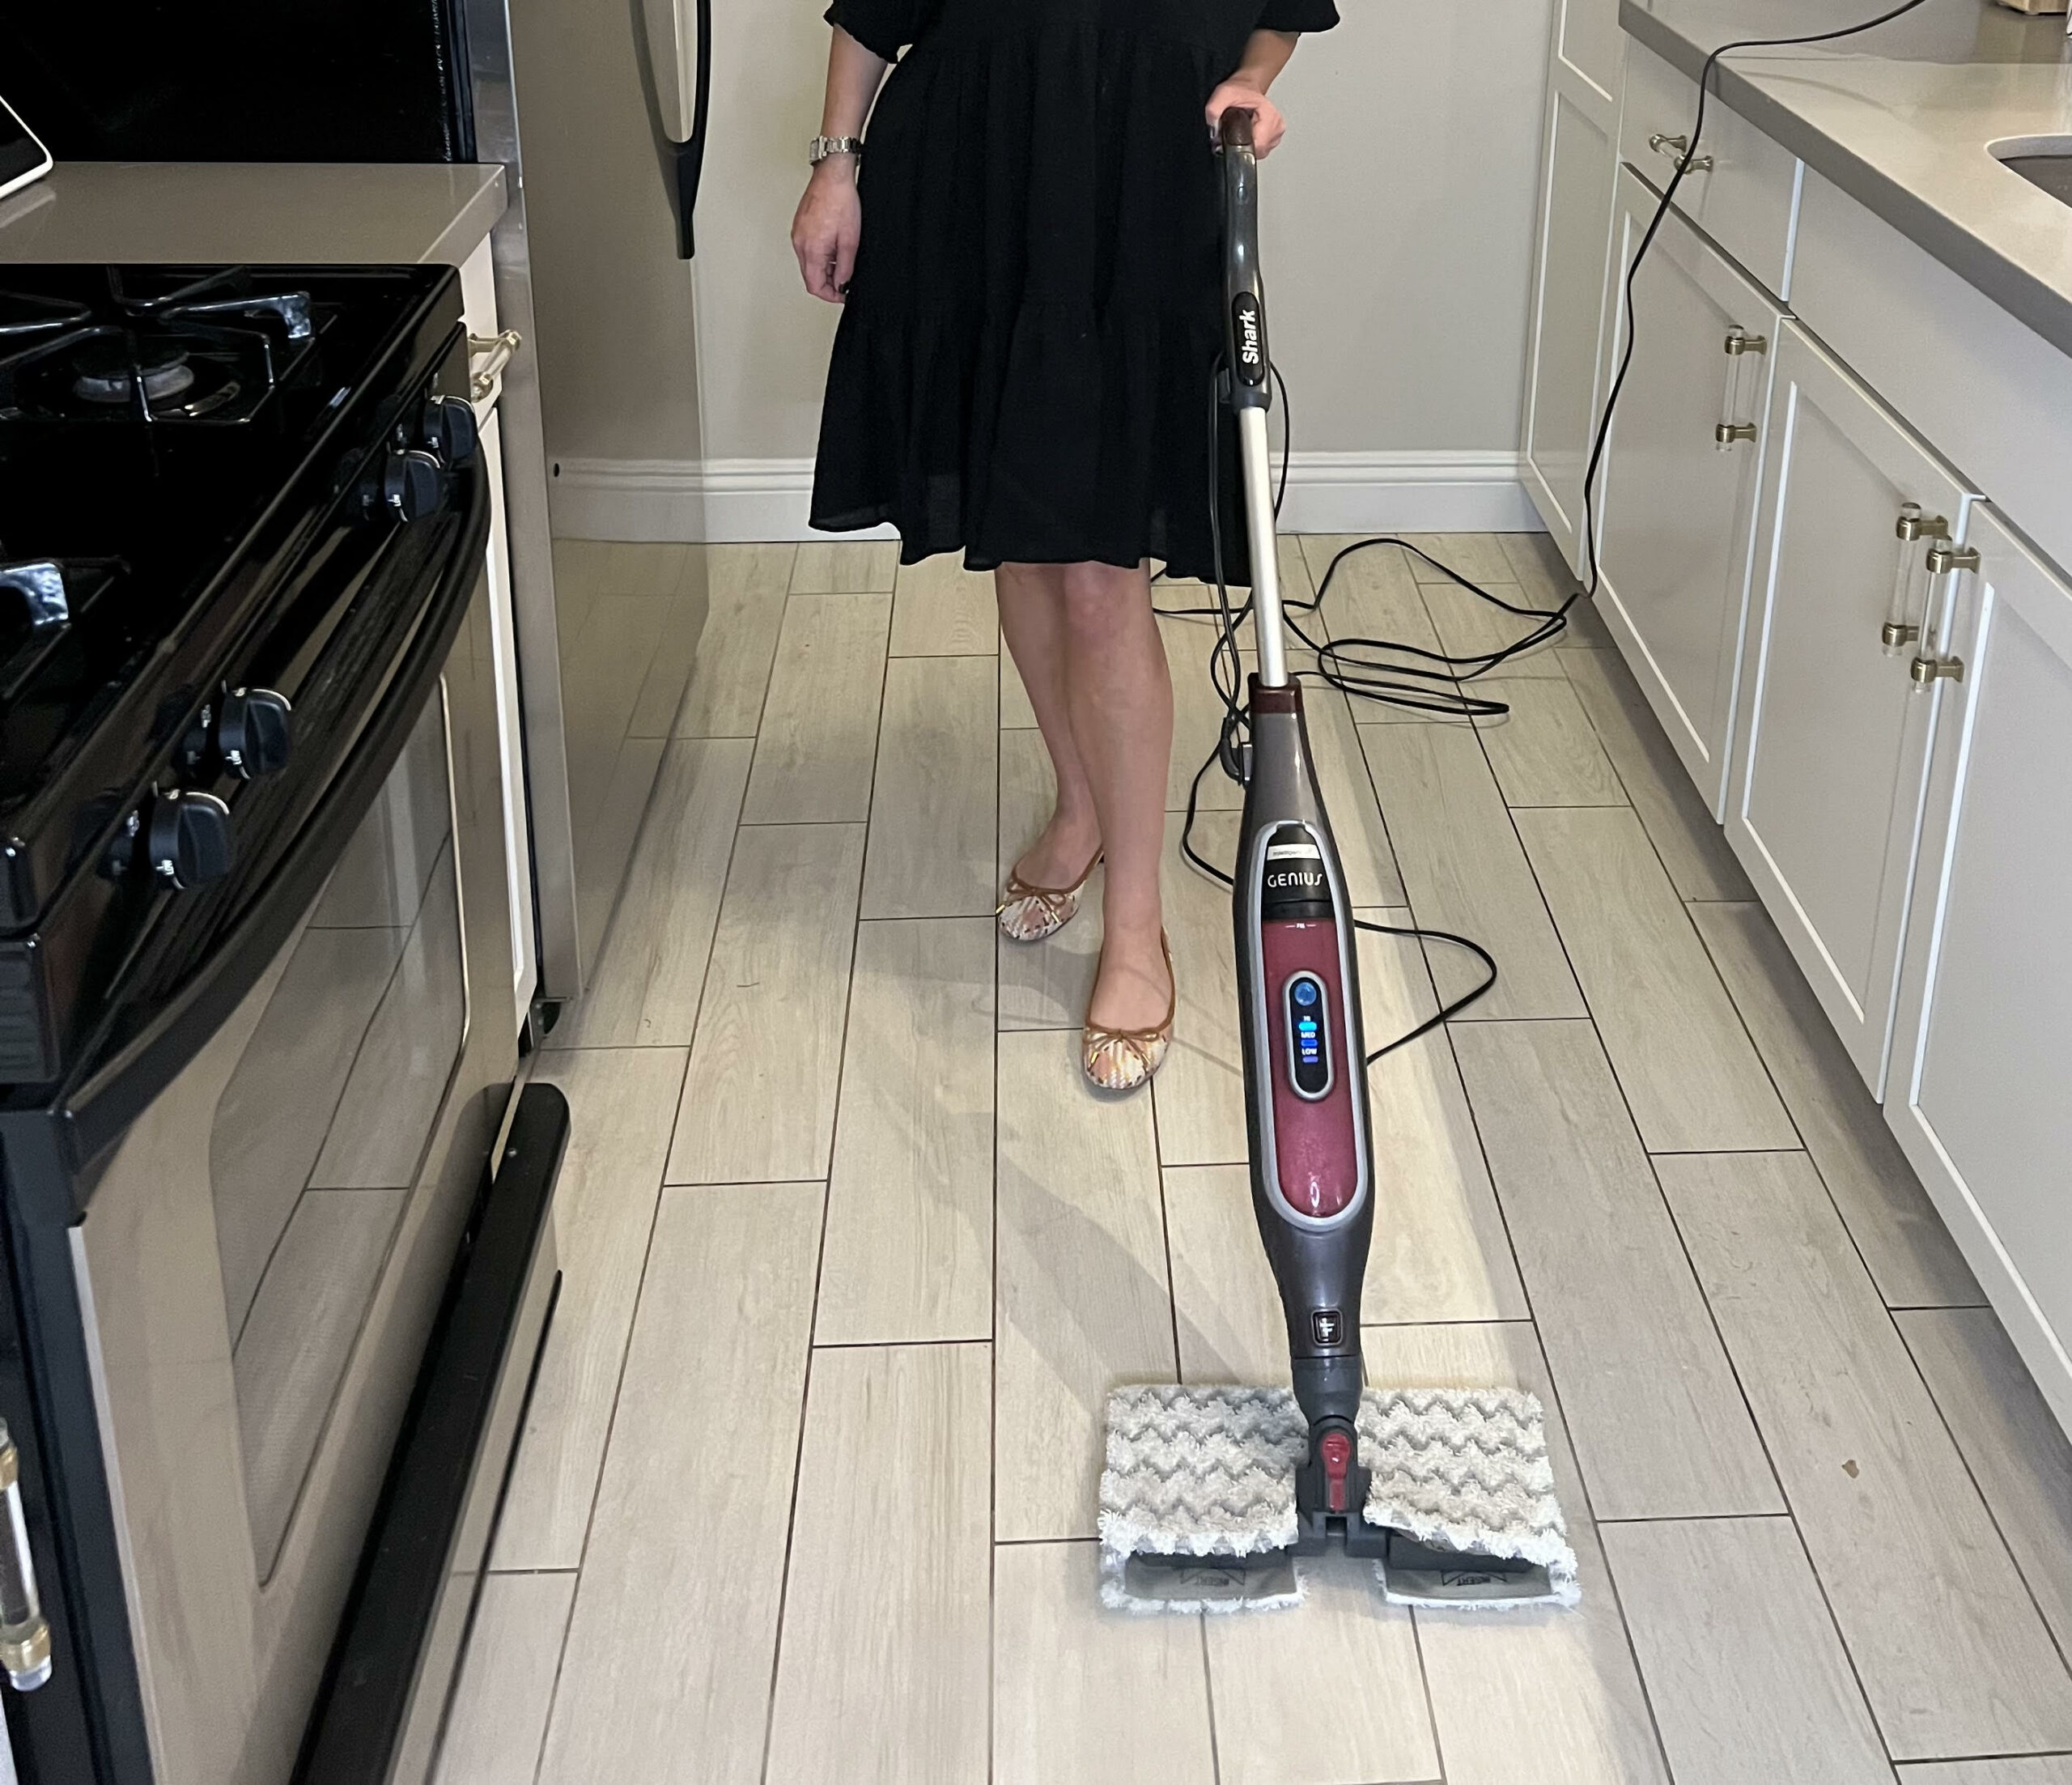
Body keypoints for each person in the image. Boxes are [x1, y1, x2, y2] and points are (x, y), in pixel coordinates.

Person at [792, 0, 1336, 1093]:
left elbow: (1282, 7)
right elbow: (872, 7)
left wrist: (1255, 81)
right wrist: (835, 164)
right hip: (979, 166)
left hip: (1141, 184)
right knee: (1028, 540)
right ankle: (1080, 802)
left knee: (1098, 571)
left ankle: (1136, 925)